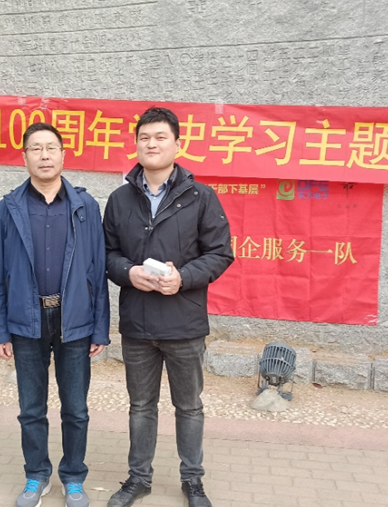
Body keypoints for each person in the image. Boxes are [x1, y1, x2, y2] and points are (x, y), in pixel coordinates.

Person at [103, 107, 234, 507]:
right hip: (138, 323)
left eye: (160, 137)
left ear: (178, 144)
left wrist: (184, 277)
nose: (152, 144)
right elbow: (106, 254)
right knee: (141, 406)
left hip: (184, 322)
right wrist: (128, 272)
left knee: (189, 407)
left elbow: (220, 253)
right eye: (144, 138)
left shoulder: (201, 197)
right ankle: (138, 479)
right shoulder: (120, 199)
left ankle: (192, 480)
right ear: (136, 144)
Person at [0, 122, 109, 507]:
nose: (44, 155)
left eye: (51, 147)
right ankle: (36, 475)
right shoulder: (8, 208)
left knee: (76, 409)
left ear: (62, 155)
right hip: (27, 322)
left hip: (74, 321)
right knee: (31, 409)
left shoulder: (85, 207)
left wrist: (100, 329)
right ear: (24, 157)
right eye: (36, 148)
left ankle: (73, 477)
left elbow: (98, 270)